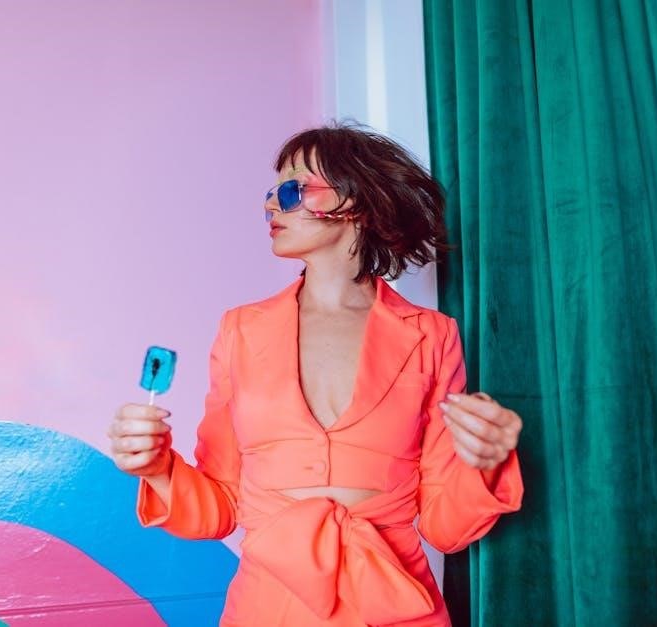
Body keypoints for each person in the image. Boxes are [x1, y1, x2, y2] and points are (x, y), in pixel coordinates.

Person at [107, 123, 524, 626]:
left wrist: (486, 463)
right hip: (267, 608)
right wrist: (157, 468)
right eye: (271, 193)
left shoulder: (432, 336)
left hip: (393, 607)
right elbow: (219, 507)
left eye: (292, 189)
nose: (271, 205)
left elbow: (444, 527)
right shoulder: (241, 331)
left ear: (356, 202)